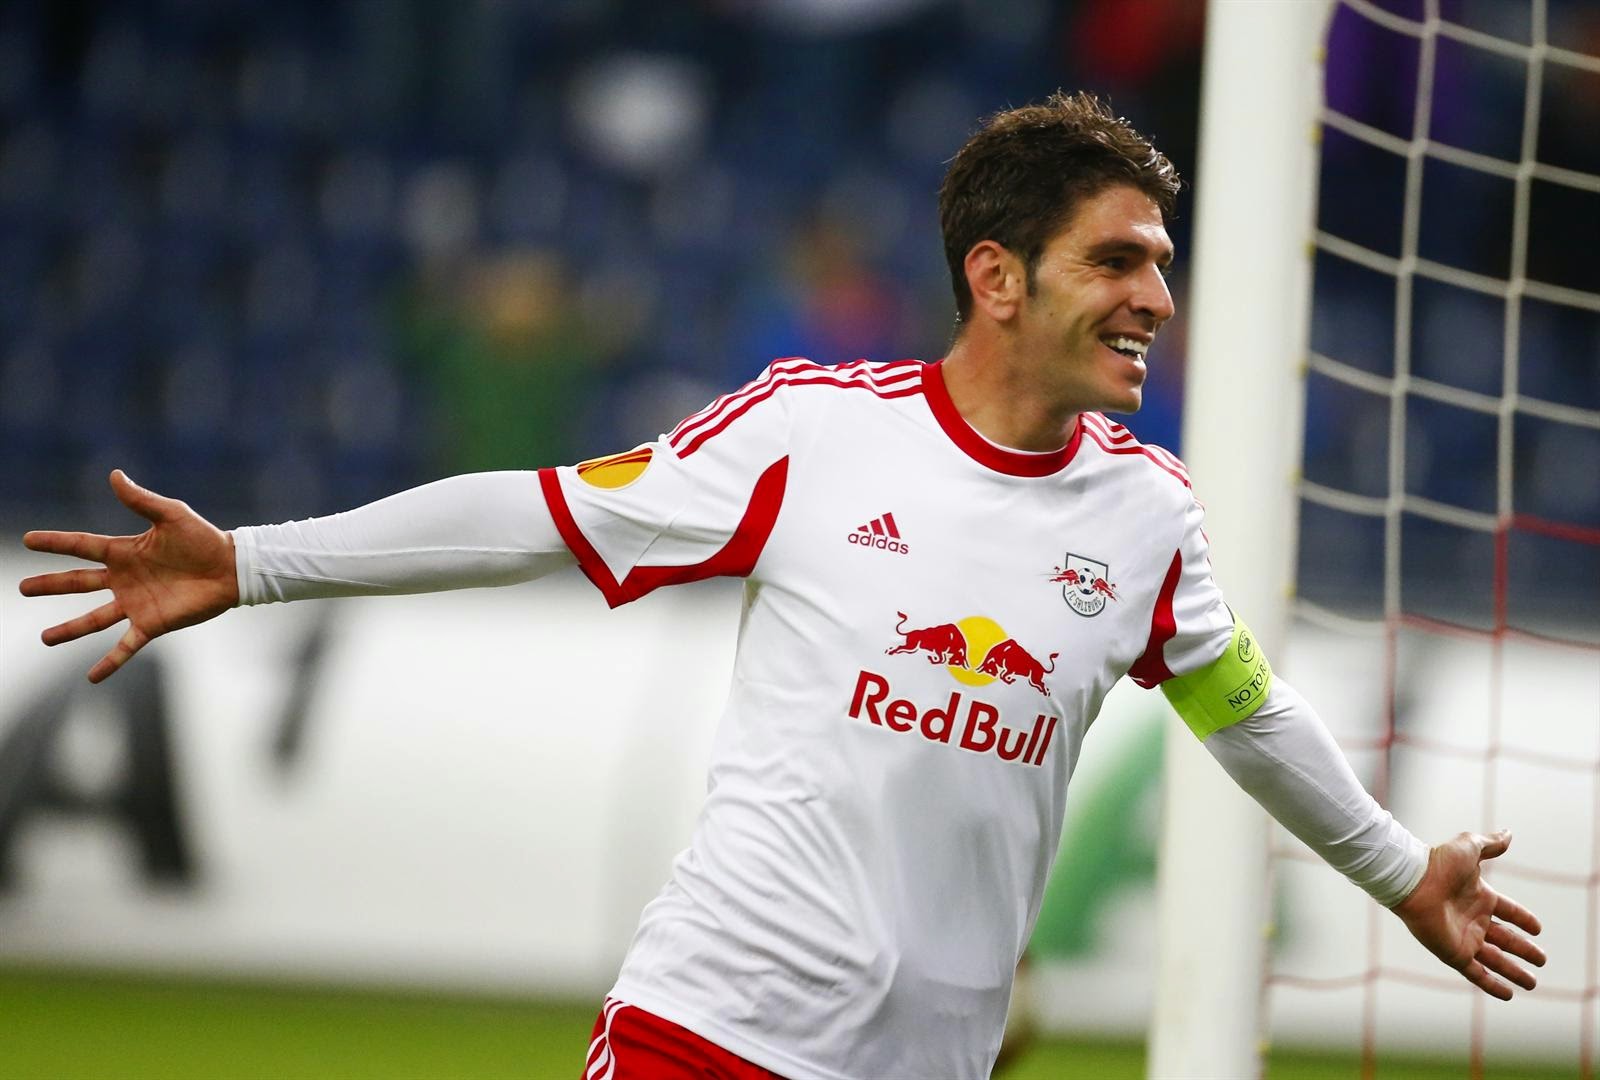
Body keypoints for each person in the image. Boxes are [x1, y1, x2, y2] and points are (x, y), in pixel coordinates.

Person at [19, 92, 1544, 1080]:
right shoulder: (814, 433)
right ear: (996, 277)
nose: (1157, 296)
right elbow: (540, 514)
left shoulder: (1148, 516)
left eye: (1160, 262)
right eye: (1117, 260)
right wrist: (257, 562)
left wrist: (1398, 871)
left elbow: (1246, 711)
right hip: (713, 1035)